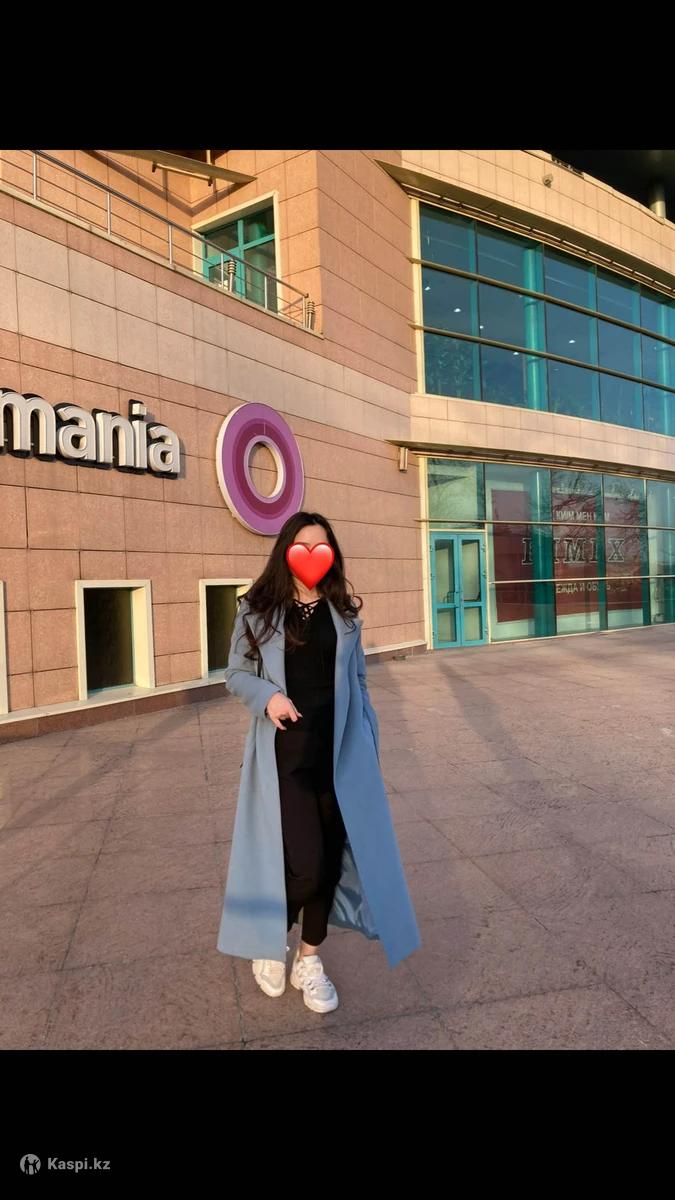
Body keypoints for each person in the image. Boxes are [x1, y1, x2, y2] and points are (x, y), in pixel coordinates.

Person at [216, 510, 420, 1014]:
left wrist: (368, 737)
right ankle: (268, 943)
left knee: (328, 864)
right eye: (302, 546)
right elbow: (235, 674)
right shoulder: (257, 610)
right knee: (306, 866)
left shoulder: (343, 613)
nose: (312, 556)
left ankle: (308, 959)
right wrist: (267, 697)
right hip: (286, 756)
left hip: (341, 756)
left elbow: (359, 682)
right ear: (286, 551)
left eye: (321, 547)